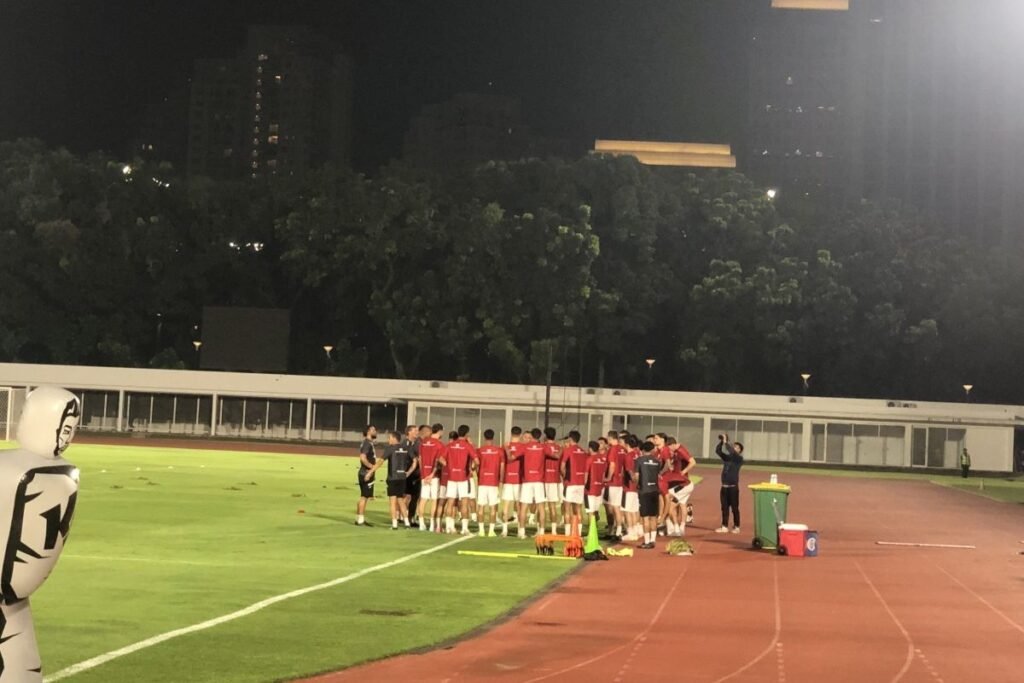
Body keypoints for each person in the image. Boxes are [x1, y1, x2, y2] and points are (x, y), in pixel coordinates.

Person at [518, 428, 552, 538]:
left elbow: (512, 457)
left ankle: (521, 532)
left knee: (524, 507)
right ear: (540, 436)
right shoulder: (543, 447)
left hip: (527, 480)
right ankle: (541, 532)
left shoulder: (525, 446)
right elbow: (555, 455)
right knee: (541, 507)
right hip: (539, 481)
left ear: (531, 436)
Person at [443, 425, 477, 534]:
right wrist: (472, 468)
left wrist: (449, 467)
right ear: (467, 434)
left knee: (450, 502)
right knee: (464, 502)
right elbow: (477, 461)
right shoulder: (467, 446)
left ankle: (449, 527)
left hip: (452, 477)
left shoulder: (450, 445)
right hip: (463, 478)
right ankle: (464, 528)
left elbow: (440, 458)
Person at [381, 430, 417, 529]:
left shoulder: (390, 449)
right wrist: (408, 472)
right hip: (402, 478)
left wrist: (371, 471)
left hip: (393, 478)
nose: (388, 440)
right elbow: (415, 461)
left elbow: (380, 461)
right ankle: (406, 523)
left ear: (393, 438)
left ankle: (394, 524)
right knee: (401, 500)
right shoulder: (406, 448)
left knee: (392, 501)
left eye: (389, 438)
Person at [475, 429, 505, 537]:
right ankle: (491, 531)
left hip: (482, 482)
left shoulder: (480, 450)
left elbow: (476, 465)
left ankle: (481, 530)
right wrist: (501, 480)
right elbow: (502, 466)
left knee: (481, 507)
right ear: (493, 437)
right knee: (493, 507)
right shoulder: (499, 451)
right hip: (493, 483)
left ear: (484, 437)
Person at [664, 437, 696, 536]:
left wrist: (683, 472)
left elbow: (693, 462)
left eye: (669, 448)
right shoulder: (676, 452)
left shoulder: (681, 450)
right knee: (682, 504)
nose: (669, 451)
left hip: (682, 484)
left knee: (670, 505)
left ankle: (676, 528)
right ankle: (681, 528)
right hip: (682, 483)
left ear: (673, 445)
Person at [417, 423, 446, 532]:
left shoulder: (423, 442)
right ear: (440, 431)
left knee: (423, 499)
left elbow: (420, 459)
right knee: (434, 500)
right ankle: (431, 525)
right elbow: (438, 461)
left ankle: (421, 523)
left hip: (424, 475)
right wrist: (432, 474)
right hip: (434, 477)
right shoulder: (440, 445)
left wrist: (423, 474)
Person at [635, 441, 663, 549]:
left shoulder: (639, 460)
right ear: (651, 450)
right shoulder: (657, 461)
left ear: (642, 450)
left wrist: (636, 483)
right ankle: (652, 540)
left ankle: (647, 541)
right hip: (654, 490)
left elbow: (637, 476)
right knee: (653, 517)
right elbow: (659, 473)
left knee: (645, 518)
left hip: (644, 490)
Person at [560, 430, 589, 536]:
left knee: (567, 509)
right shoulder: (583, 451)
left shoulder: (568, 450)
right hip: (580, 483)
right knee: (578, 509)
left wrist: (564, 476)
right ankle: (579, 533)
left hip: (570, 483)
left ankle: (568, 534)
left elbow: (562, 466)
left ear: (570, 439)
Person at [715, 433, 744, 534]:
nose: (734, 448)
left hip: (733, 487)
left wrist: (726, 442)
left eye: (737, 447)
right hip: (724, 487)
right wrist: (721, 442)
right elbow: (718, 451)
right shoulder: (727, 458)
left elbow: (731, 451)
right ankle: (724, 526)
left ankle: (736, 526)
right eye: (734, 446)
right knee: (724, 507)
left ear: (740, 451)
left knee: (735, 507)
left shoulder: (738, 459)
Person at [501, 426, 525, 536]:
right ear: (520, 435)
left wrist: (501, 478)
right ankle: (520, 531)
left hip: (507, 479)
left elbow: (502, 463)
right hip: (518, 480)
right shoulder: (523, 447)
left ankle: (504, 530)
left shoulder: (505, 446)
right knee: (519, 507)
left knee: (506, 506)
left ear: (511, 434)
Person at [356, 425, 381, 526]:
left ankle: (359, 518)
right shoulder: (367, 443)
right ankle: (360, 520)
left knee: (363, 496)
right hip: (366, 473)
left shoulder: (368, 443)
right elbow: (362, 457)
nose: (376, 431)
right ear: (368, 431)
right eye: (373, 430)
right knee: (364, 497)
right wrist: (371, 467)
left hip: (364, 472)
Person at [542, 427, 563, 534]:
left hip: (544, 479)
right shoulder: (559, 447)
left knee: (541, 506)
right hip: (555, 479)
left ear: (545, 435)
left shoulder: (543, 447)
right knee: (552, 506)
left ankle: (540, 530)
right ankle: (554, 531)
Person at [605, 432, 626, 538]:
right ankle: (618, 529)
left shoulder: (613, 449)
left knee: (614, 507)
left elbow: (612, 465)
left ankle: (617, 530)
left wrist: (608, 477)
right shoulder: (622, 449)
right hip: (620, 481)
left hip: (614, 481)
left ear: (610, 438)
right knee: (617, 506)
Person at [584, 440, 608, 529]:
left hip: (590, 489)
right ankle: (594, 530)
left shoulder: (589, 459)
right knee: (595, 511)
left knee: (590, 512)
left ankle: (592, 533)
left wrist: (584, 485)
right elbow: (603, 474)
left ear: (590, 448)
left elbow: (586, 474)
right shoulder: (602, 460)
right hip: (599, 488)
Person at [403, 425, 422, 525]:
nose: (417, 432)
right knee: (403, 496)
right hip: (406, 474)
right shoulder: (403, 444)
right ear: (409, 432)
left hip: (416, 474)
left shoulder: (419, 443)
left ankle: (410, 518)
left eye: (417, 430)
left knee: (415, 497)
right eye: (415, 430)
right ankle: (401, 516)